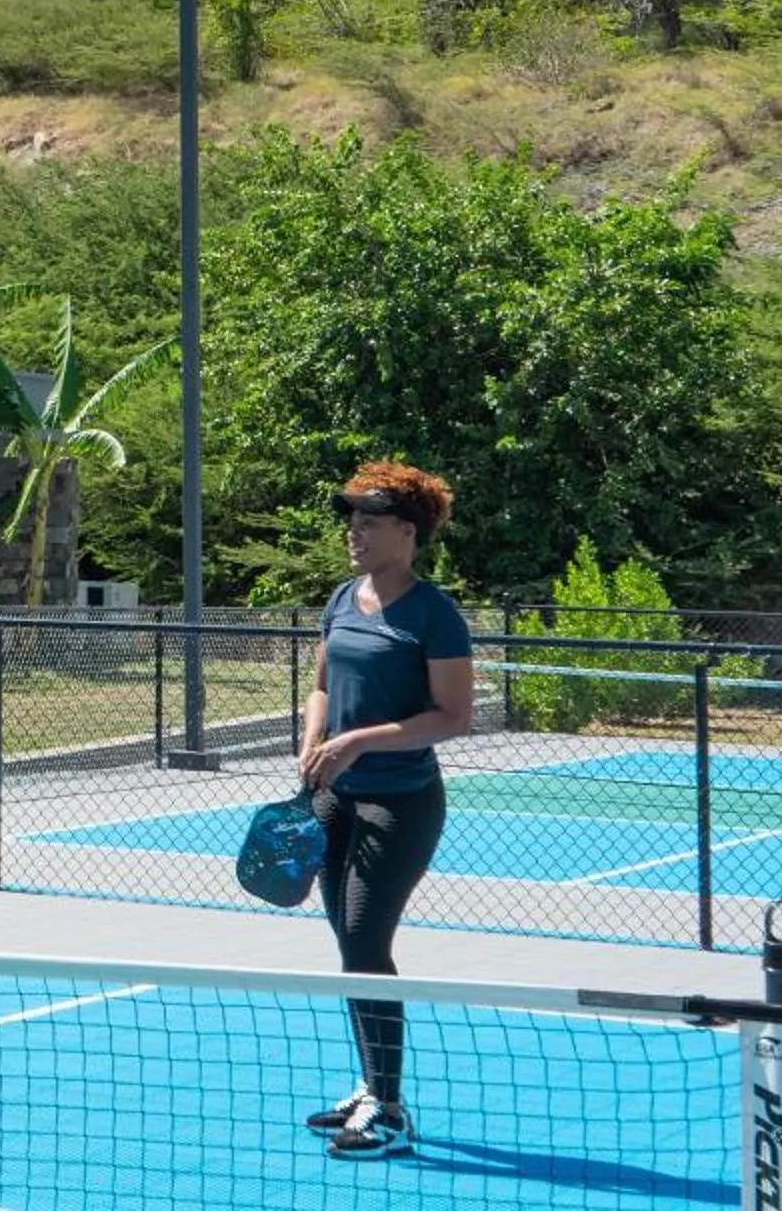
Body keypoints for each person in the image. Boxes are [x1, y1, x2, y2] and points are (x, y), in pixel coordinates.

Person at [296, 459, 475, 1162]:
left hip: (400, 804)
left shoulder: (436, 615)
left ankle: (389, 1107)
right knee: (350, 947)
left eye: (370, 521)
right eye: (352, 521)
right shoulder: (344, 598)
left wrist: (356, 741)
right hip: (332, 796)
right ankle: (372, 1081)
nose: (355, 532)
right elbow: (320, 682)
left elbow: (453, 716)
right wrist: (314, 738)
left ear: (408, 532)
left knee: (367, 942)